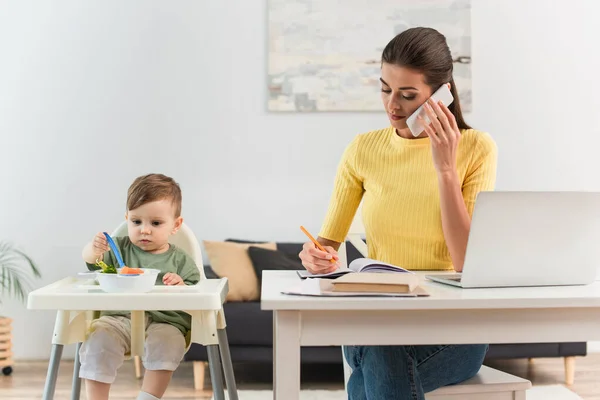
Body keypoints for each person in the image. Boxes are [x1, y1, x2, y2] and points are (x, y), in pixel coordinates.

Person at [298, 27, 497, 399]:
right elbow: (326, 246)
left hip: (454, 331)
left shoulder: (476, 148)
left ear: (442, 95)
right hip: (377, 317)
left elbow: (465, 261)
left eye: (408, 95)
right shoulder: (363, 149)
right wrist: (315, 258)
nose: (393, 106)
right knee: (382, 344)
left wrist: (446, 170)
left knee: (373, 368)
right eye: (385, 89)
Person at [80, 173, 201, 400]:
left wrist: (180, 284)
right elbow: (90, 262)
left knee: (167, 343)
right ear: (127, 219)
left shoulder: (180, 260)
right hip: (119, 319)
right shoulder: (119, 249)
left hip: (165, 320)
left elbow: (196, 292)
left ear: (175, 225)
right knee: (98, 340)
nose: (144, 230)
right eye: (136, 222)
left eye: (155, 223)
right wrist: (94, 249)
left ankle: (147, 397)